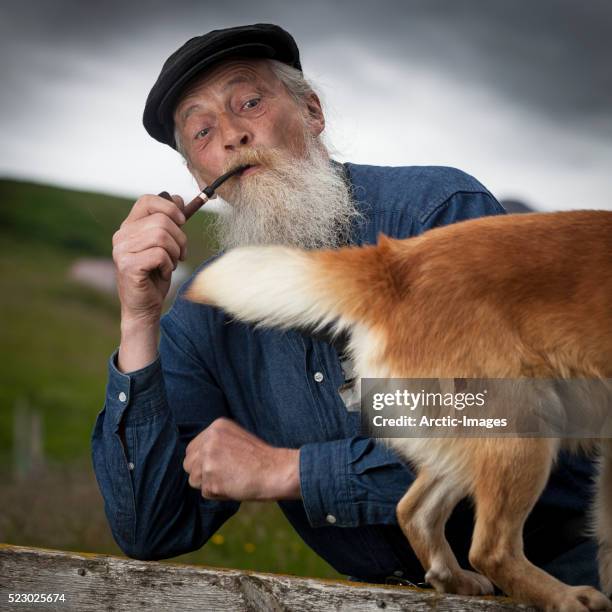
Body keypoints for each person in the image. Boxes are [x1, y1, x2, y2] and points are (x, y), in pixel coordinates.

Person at [92, 23, 598, 587]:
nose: (232, 135)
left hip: (574, 576)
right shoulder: (206, 311)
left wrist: (293, 472)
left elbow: (524, 414)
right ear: (198, 176)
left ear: (311, 111)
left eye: (250, 102)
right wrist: (138, 318)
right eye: (203, 131)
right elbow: (150, 528)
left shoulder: (438, 213)